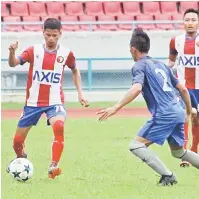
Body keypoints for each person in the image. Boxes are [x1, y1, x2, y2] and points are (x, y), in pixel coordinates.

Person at [97, 28, 199, 186]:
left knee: (135, 145)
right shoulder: (161, 65)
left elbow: (137, 88)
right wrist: (186, 111)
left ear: (133, 49)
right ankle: (168, 175)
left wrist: (115, 108)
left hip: (165, 113)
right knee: (179, 152)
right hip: (177, 109)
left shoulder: (139, 66)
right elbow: (183, 89)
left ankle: (168, 176)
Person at [6, 18, 89, 179]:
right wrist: (11, 52)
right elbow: (13, 63)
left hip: (54, 102)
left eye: (54, 36)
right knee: (17, 141)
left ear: (60, 34)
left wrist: (80, 93)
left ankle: (53, 166)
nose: (51, 39)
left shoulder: (66, 53)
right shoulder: (33, 51)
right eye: (48, 35)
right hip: (32, 103)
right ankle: (21, 157)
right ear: (43, 32)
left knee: (59, 125)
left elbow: (75, 70)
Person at [168, 9, 199, 165]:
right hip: (184, 88)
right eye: (187, 20)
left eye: (193, 20)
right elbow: (172, 61)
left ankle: (194, 151)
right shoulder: (176, 41)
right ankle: (186, 156)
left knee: (197, 120)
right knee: (185, 117)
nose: (190, 23)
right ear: (183, 22)